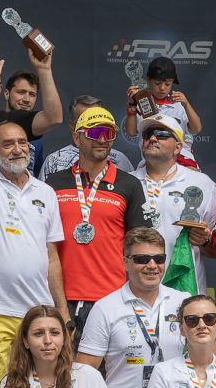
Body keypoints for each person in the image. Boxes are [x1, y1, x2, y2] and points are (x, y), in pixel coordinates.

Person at [0, 44, 67, 388]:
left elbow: (51, 256)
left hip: (38, 312)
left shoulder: (45, 192)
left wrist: (61, 311)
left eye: (22, 142)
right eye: (7, 144)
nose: (17, 149)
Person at [55, 107, 150, 334]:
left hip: (112, 297)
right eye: (95, 132)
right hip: (62, 298)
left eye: (109, 133)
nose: (102, 139)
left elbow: (140, 244)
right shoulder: (54, 183)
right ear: (76, 137)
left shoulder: (129, 184)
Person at [77, 227, 182, 388]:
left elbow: (209, 354)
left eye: (159, 259)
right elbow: (84, 373)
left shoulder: (183, 302)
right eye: (142, 259)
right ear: (125, 262)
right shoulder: (105, 308)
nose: (152, 265)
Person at [136, 116, 215, 296]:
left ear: (178, 147)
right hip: (136, 291)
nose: (152, 138)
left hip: (184, 292)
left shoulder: (203, 184)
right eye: (147, 134)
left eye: (161, 134)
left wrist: (205, 240)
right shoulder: (127, 182)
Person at [122, 57, 202, 166]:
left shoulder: (178, 104)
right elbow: (131, 132)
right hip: (152, 160)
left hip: (181, 161)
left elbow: (196, 129)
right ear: (148, 80)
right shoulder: (142, 102)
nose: (162, 88)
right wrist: (132, 106)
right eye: (157, 83)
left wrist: (186, 105)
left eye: (168, 84)